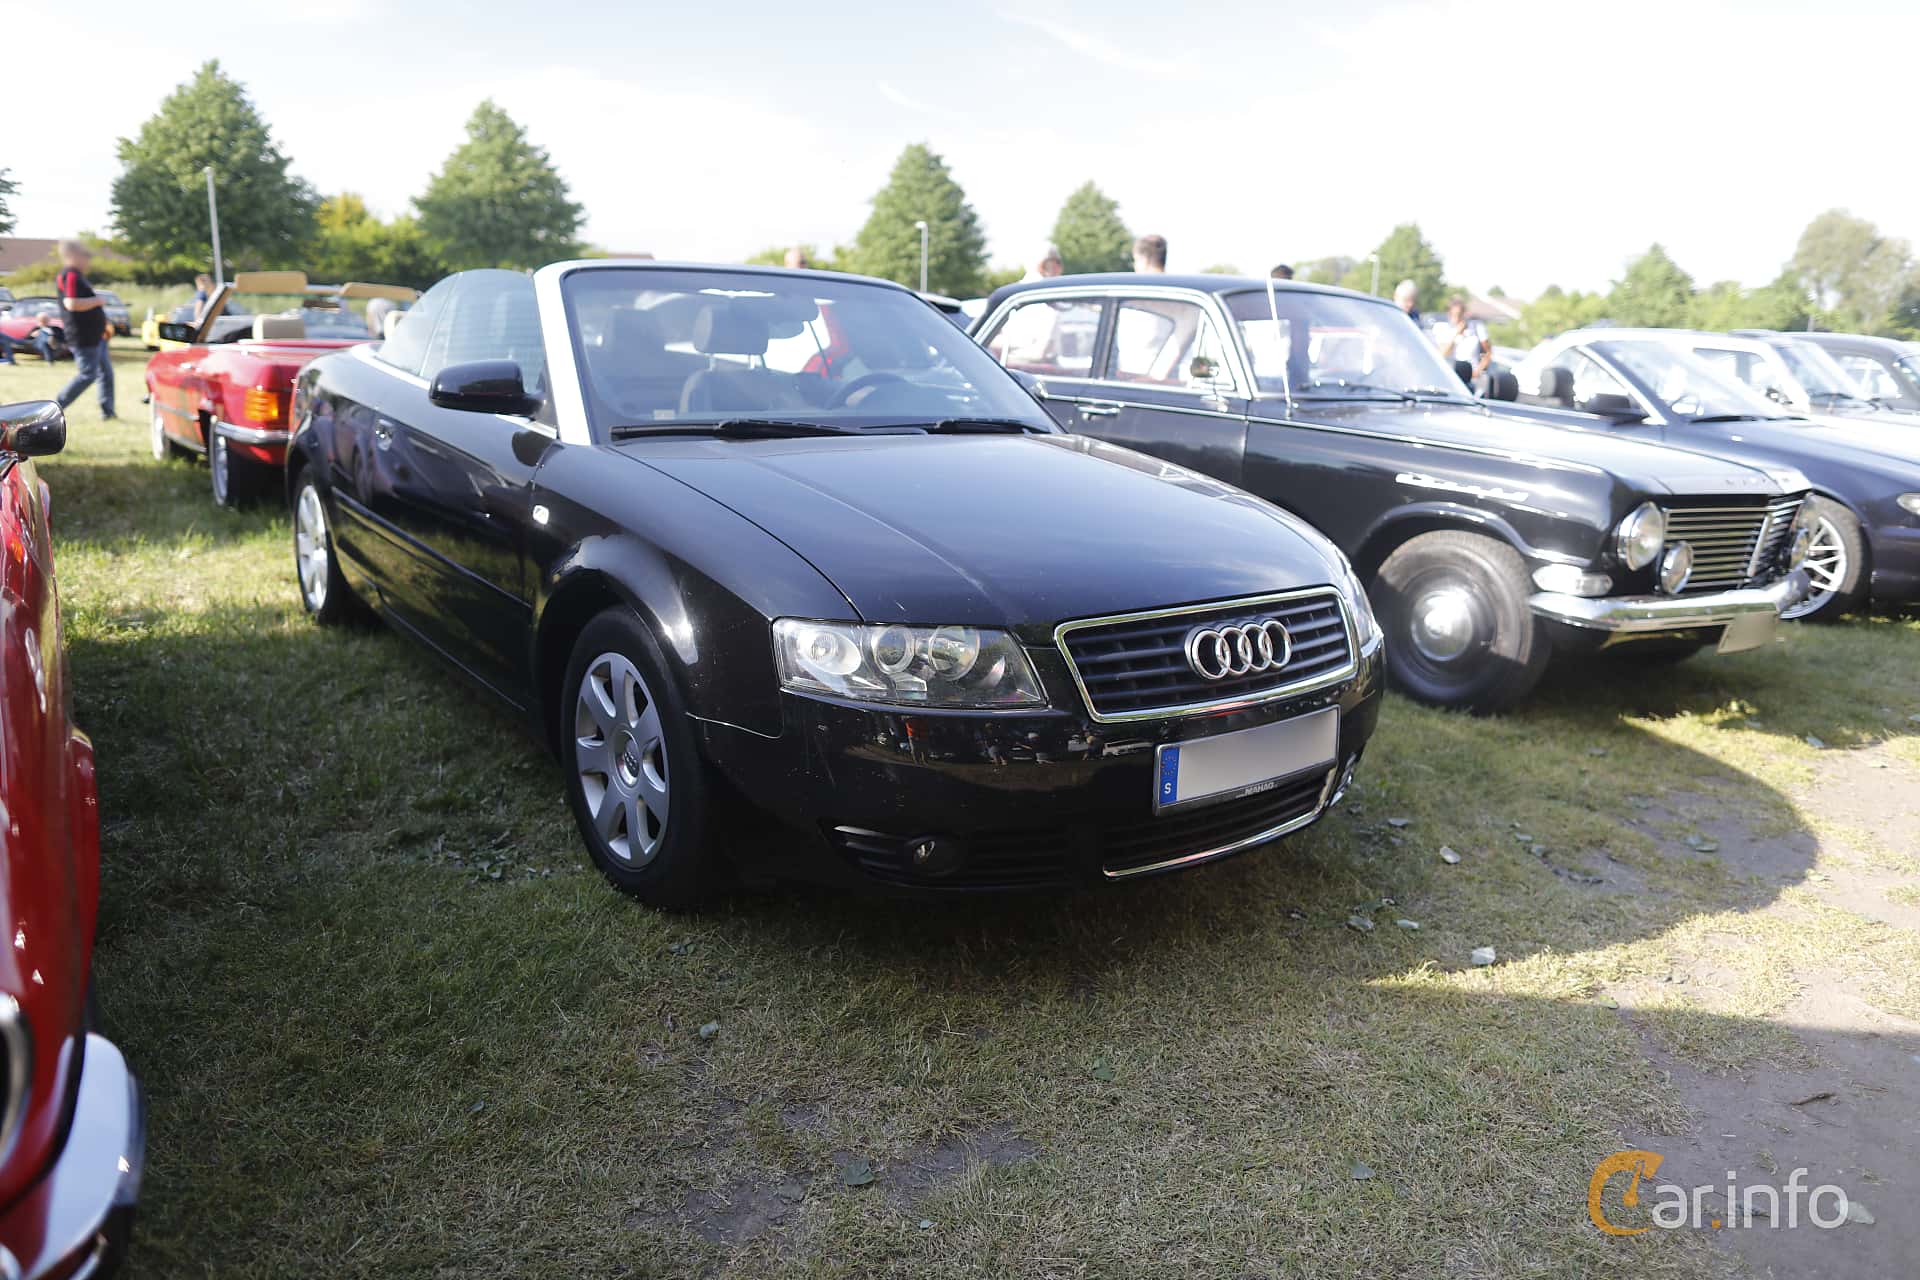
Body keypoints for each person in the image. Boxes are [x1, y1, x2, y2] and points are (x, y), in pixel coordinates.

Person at [54, 241, 115, 420]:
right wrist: (98, 301)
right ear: (73, 255)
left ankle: (108, 412)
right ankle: (56, 407)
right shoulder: (70, 275)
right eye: (85, 256)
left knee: (106, 373)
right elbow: (71, 303)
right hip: (84, 336)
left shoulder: (78, 276)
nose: (88, 260)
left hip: (96, 336)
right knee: (88, 375)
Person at [1431, 295, 1491, 388]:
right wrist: (1457, 333)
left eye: (1459, 315)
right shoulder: (1441, 328)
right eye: (1453, 315)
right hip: (1450, 378)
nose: (1457, 318)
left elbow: (1488, 352)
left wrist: (1477, 371)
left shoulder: (1476, 328)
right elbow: (1443, 354)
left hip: (1471, 381)